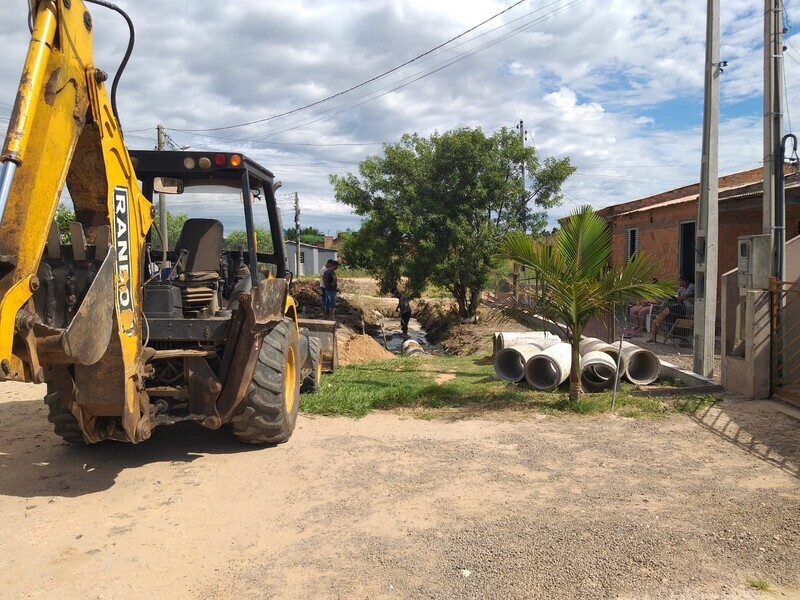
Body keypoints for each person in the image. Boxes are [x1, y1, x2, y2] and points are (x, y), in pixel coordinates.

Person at [648, 276, 695, 343]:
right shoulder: (681, 288)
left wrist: (677, 298)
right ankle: (653, 338)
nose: (681, 283)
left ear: (687, 281)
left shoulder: (691, 287)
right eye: (680, 281)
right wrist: (673, 296)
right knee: (655, 320)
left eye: (683, 281)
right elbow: (676, 295)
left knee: (667, 310)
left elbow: (684, 297)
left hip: (687, 307)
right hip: (680, 306)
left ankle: (659, 318)